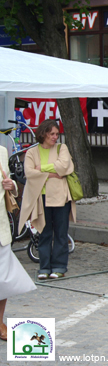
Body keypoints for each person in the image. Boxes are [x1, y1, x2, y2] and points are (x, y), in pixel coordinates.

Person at [19, 119, 77, 280]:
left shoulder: (62, 148)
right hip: (41, 198)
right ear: (43, 134)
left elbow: (64, 166)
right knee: (44, 234)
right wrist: (52, 173)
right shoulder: (32, 152)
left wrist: (42, 169)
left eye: (57, 134)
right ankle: (44, 268)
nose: (55, 137)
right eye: (52, 134)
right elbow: (29, 173)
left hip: (61, 198)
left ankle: (59, 267)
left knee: (60, 233)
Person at [0, 145, 36, 341]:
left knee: (3, 280)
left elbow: (8, 183)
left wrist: (12, 186)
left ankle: (0, 322)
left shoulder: (1, 151)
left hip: (1, 228)